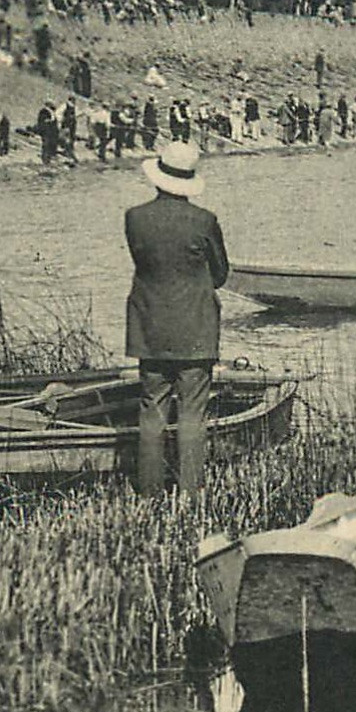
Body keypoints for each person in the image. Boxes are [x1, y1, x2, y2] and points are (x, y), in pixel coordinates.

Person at [124, 141, 229, 495]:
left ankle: (150, 493)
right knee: (192, 414)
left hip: (149, 327)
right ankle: (189, 493)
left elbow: (146, 265)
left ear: (157, 177)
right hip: (196, 329)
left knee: (151, 411)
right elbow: (220, 274)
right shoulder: (205, 221)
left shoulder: (134, 218)